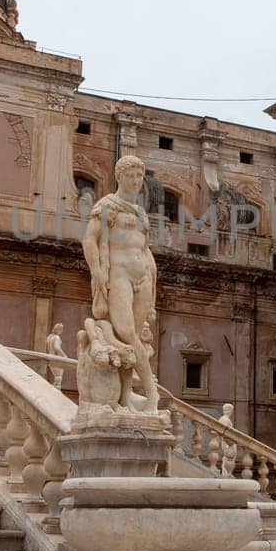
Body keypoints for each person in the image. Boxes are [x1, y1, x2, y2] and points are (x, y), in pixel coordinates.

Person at [81, 155, 159, 408]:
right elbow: (89, 240)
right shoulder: (108, 205)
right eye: (131, 176)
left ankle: (125, 396)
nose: (136, 181)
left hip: (143, 276)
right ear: (119, 177)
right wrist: (96, 271)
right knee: (126, 332)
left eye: (139, 176)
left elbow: (146, 250)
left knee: (131, 338)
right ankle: (151, 391)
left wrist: (154, 282)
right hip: (119, 274)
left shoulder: (140, 212)